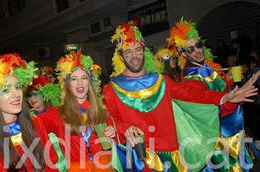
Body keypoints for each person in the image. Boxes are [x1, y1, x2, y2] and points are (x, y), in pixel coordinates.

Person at [102, 22, 260, 171]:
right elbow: (109, 120)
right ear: (121, 57)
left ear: (144, 50)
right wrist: (125, 127)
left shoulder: (161, 80)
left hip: (171, 158)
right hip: (138, 160)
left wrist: (225, 97)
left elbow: (191, 94)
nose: (134, 56)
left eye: (138, 50)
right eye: (128, 52)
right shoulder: (111, 89)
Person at [165, 19, 260, 171]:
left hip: (228, 134)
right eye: (190, 49)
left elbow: (214, 89)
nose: (197, 51)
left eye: (198, 45)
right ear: (182, 54)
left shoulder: (203, 66)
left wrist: (227, 82)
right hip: (219, 140)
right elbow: (200, 96)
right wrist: (225, 98)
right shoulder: (192, 74)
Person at [44, 50, 116, 171]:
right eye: (73, 79)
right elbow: (32, 125)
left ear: (90, 81)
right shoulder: (57, 114)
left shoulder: (101, 110)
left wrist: (113, 132)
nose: (80, 83)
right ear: (67, 84)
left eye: (84, 77)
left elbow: (115, 142)